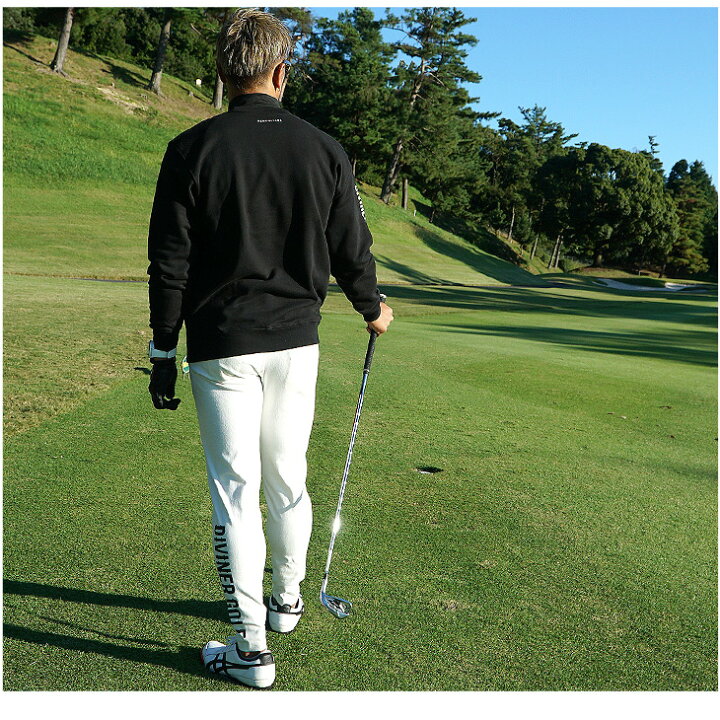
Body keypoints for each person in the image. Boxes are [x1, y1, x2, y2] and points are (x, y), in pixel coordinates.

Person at [146, 8, 394, 689]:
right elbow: (353, 250)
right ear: (280, 71)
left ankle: (251, 648)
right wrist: (372, 309)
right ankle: (283, 603)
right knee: (286, 475)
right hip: (296, 345)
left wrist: (163, 351)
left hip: (221, 346)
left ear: (226, 75)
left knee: (237, 490)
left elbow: (169, 263)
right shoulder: (324, 149)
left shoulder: (192, 148)